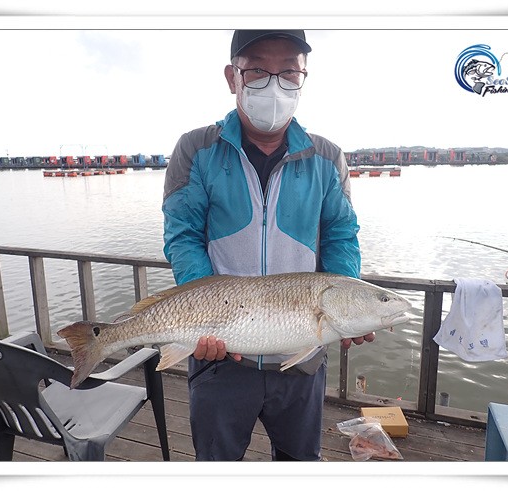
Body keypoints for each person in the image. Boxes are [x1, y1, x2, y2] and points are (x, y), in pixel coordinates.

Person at [162, 29, 374, 461]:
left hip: (302, 358)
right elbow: (183, 235)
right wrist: (205, 313)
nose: (275, 84)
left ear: (303, 79)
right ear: (232, 77)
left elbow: (340, 235)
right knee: (216, 463)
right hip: (220, 358)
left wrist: (347, 304)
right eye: (258, 70)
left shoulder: (327, 157)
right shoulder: (196, 149)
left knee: (299, 463)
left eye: (289, 72)